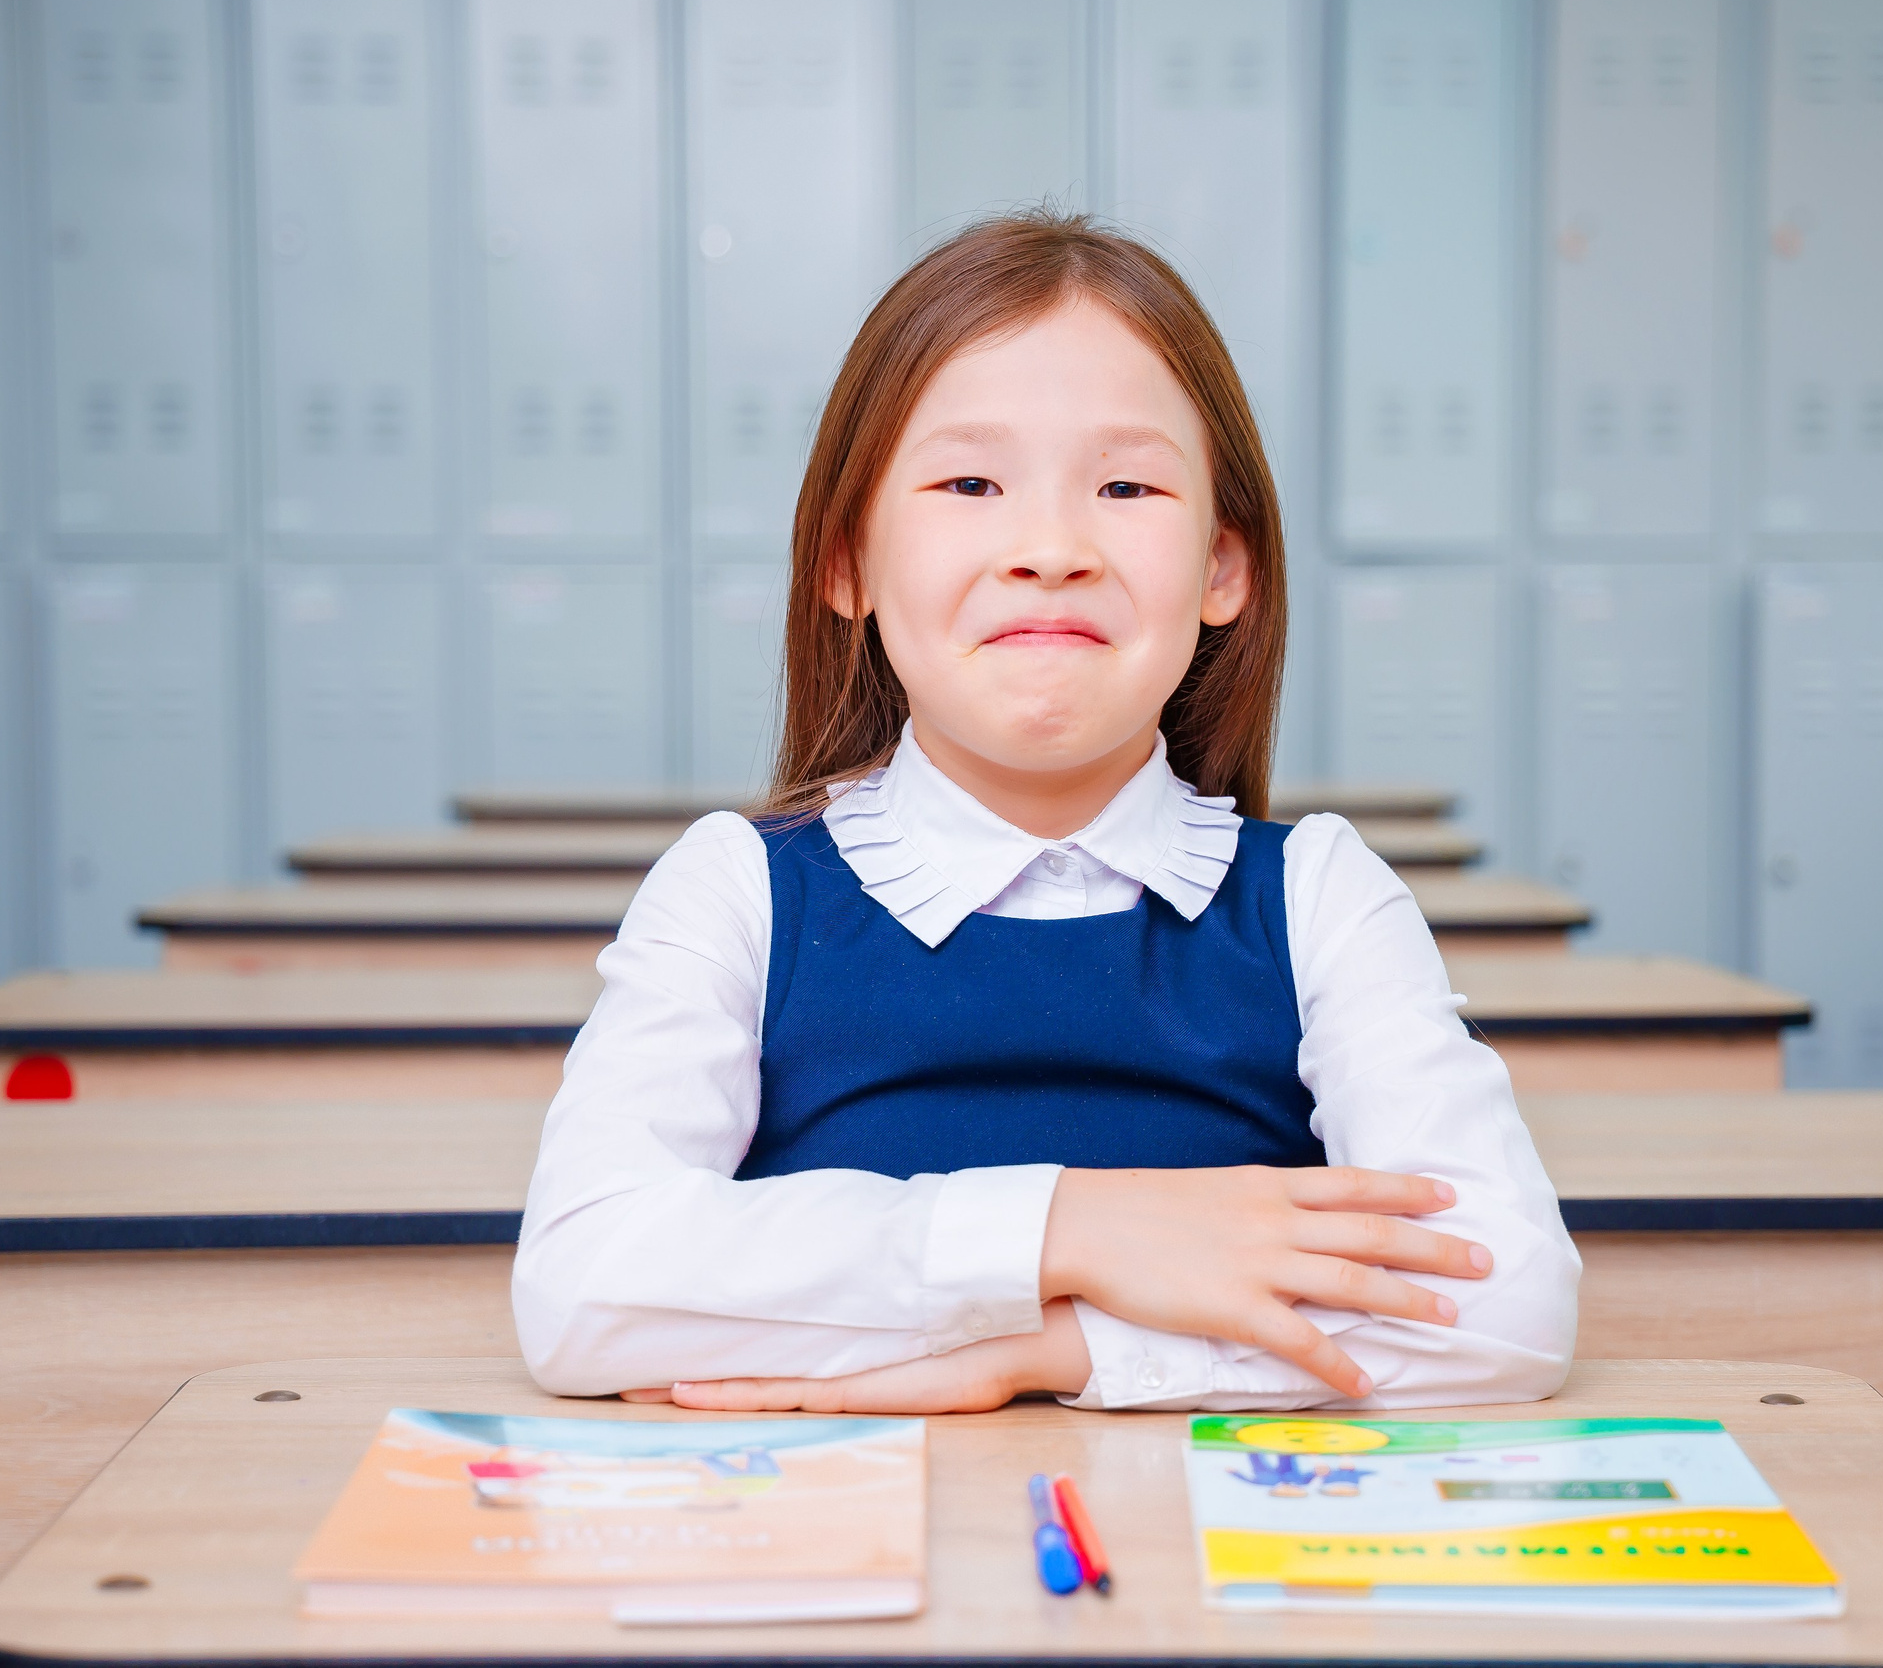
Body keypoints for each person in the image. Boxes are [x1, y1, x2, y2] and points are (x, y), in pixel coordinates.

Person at [514, 210, 1578, 1414]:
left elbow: (1506, 1305)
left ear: (1222, 570)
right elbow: (582, 1287)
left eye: (1126, 484)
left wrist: (1054, 1352)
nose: (1051, 546)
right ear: (845, 564)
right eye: (970, 482)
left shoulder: (1319, 897)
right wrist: (1071, 1227)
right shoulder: (739, 889)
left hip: (1201, 1576)